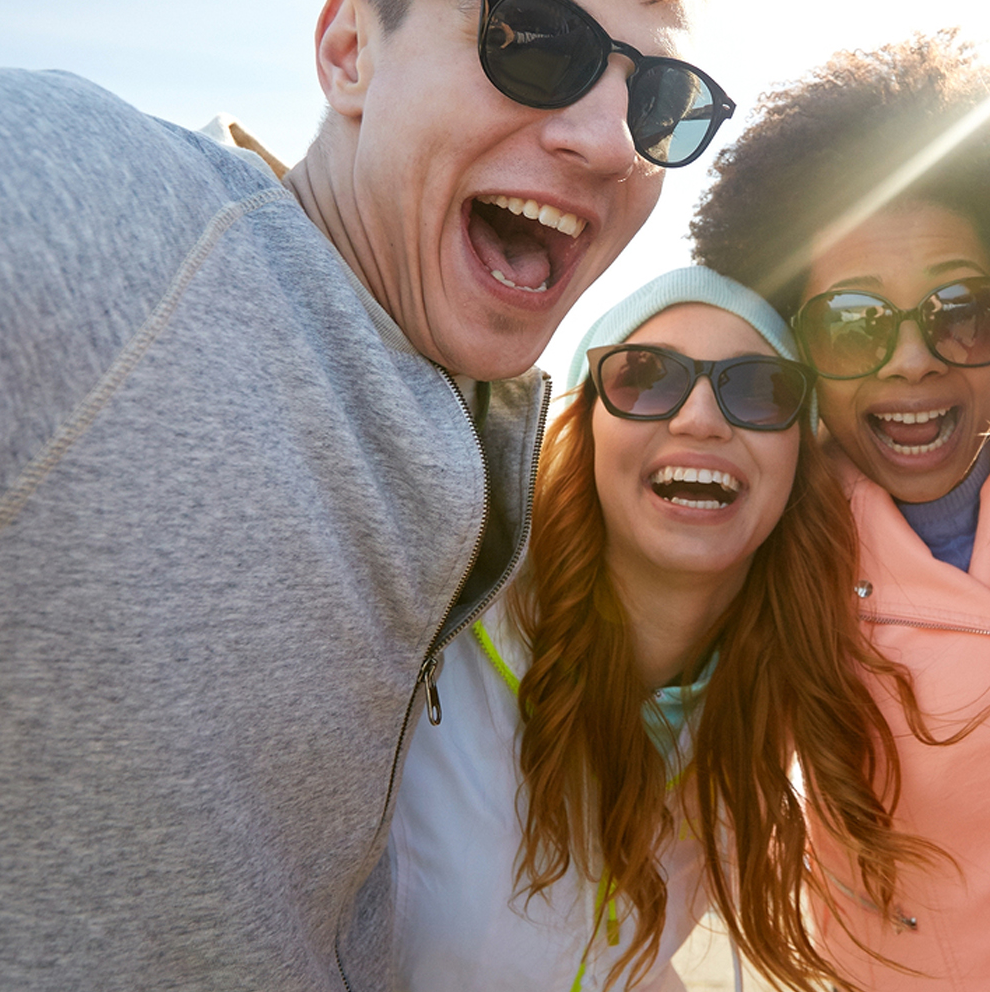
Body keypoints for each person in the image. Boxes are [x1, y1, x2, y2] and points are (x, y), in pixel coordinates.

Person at [0, 0, 733, 990]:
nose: (604, 143)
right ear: (346, 50)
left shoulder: (465, 446)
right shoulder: (105, 217)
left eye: (660, 99)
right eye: (530, 39)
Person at [690, 32, 990, 991]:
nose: (911, 361)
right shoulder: (757, 554)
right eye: (852, 323)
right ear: (794, 342)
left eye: (961, 310)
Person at [389, 266, 938, 992]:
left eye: (759, 390)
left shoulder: (750, 721)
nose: (701, 418)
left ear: (799, 462)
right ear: (583, 428)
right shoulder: (435, 628)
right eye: (645, 378)